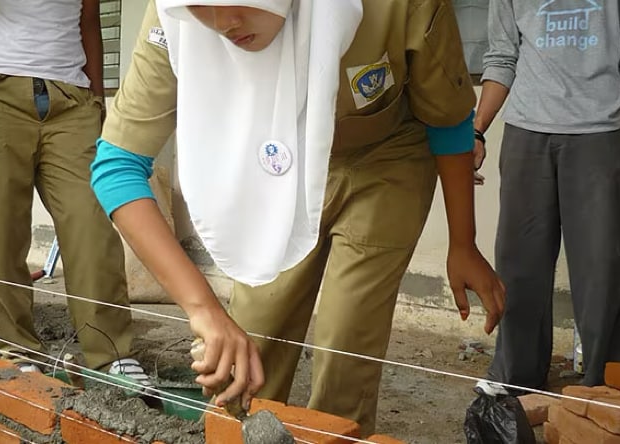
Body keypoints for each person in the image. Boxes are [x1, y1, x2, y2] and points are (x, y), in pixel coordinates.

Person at [92, 0, 505, 434]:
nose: (224, 23)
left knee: (348, 336)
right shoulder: (173, 14)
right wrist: (203, 310)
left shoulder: (391, 6)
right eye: (202, 7)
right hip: (271, 158)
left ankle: (336, 433)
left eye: (238, 1)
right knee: (251, 338)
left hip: (384, 159)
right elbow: (116, 165)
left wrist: (463, 243)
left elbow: (447, 119)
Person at [0, 0, 153, 391]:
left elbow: (88, 19)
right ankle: (18, 349)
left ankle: (110, 354)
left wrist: (96, 100)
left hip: (71, 102)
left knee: (92, 231)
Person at [474, 0, 620, 392]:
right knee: (519, 261)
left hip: (600, 131)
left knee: (603, 265)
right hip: (526, 129)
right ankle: (515, 376)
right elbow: (503, 55)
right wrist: (476, 129)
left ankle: (606, 382)